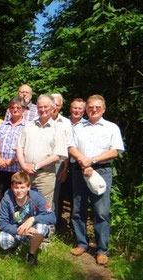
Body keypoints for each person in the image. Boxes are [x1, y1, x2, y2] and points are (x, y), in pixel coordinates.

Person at [68, 95, 125, 265]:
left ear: (103, 109)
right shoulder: (78, 127)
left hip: (102, 171)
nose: (93, 110)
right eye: (91, 107)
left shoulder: (111, 127)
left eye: (97, 107)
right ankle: (82, 243)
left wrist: (91, 160)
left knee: (101, 211)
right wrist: (83, 162)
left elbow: (115, 151)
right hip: (79, 170)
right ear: (86, 109)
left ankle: (101, 249)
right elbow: (71, 147)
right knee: (78, 209)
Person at [15, 94, 67, 207]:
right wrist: (23, 165)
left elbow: (57, 155)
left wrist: (36, 166)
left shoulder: (58, 128)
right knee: (23, 205)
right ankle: (24, 225)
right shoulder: (29, 125)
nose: (42, 110)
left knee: (43, 206)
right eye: (40, 107)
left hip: (45, 175)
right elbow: (19, 147)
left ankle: (42, 225)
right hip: (25, 173)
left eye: (45, 107)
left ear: (53, 108)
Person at [0, 171, 56, 265]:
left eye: (22, 187)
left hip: (32, 230)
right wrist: (18, 230)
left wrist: (33, 219)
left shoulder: (36, 197)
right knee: (3, 241)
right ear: (12, 187)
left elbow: (52, 217)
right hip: (16, 229)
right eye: (16, 187)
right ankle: (15, 245)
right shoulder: (6, 200)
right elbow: (2, 223)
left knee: (42, 228)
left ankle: (31, 254)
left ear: (28, 187)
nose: (19, 191)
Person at [56, 98, 86, 227]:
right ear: (70, 108)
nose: (77, 111)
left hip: (78, 164)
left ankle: (75, 228)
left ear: (84, 111)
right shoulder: (62, 122)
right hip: (60, 162)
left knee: (76, 197)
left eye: (80, 108)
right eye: (75, 108)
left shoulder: (87, 125)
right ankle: (57, 223)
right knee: (59, 194)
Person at [0, 96, 26, 202]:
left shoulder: (27, 127)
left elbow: (27, 147)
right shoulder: (2, 125)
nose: (15, 110)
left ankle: (15, 218)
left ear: (23, 109)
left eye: (18, 107)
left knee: (16, 195)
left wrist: (13, 160)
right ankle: (2, 217)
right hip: (1, 167)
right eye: (12, 107)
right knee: (0, 194)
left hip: (16, 168)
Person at [51, 93, 73, 227]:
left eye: (57, 105)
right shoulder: (38, 119)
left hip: (58, 163)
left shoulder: (65, 122)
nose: (54, 107)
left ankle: (52, 226)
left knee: (55, 196)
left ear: (61, 107)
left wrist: (65, 168)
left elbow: (67, 146)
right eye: (52, 104)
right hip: (40, 161)